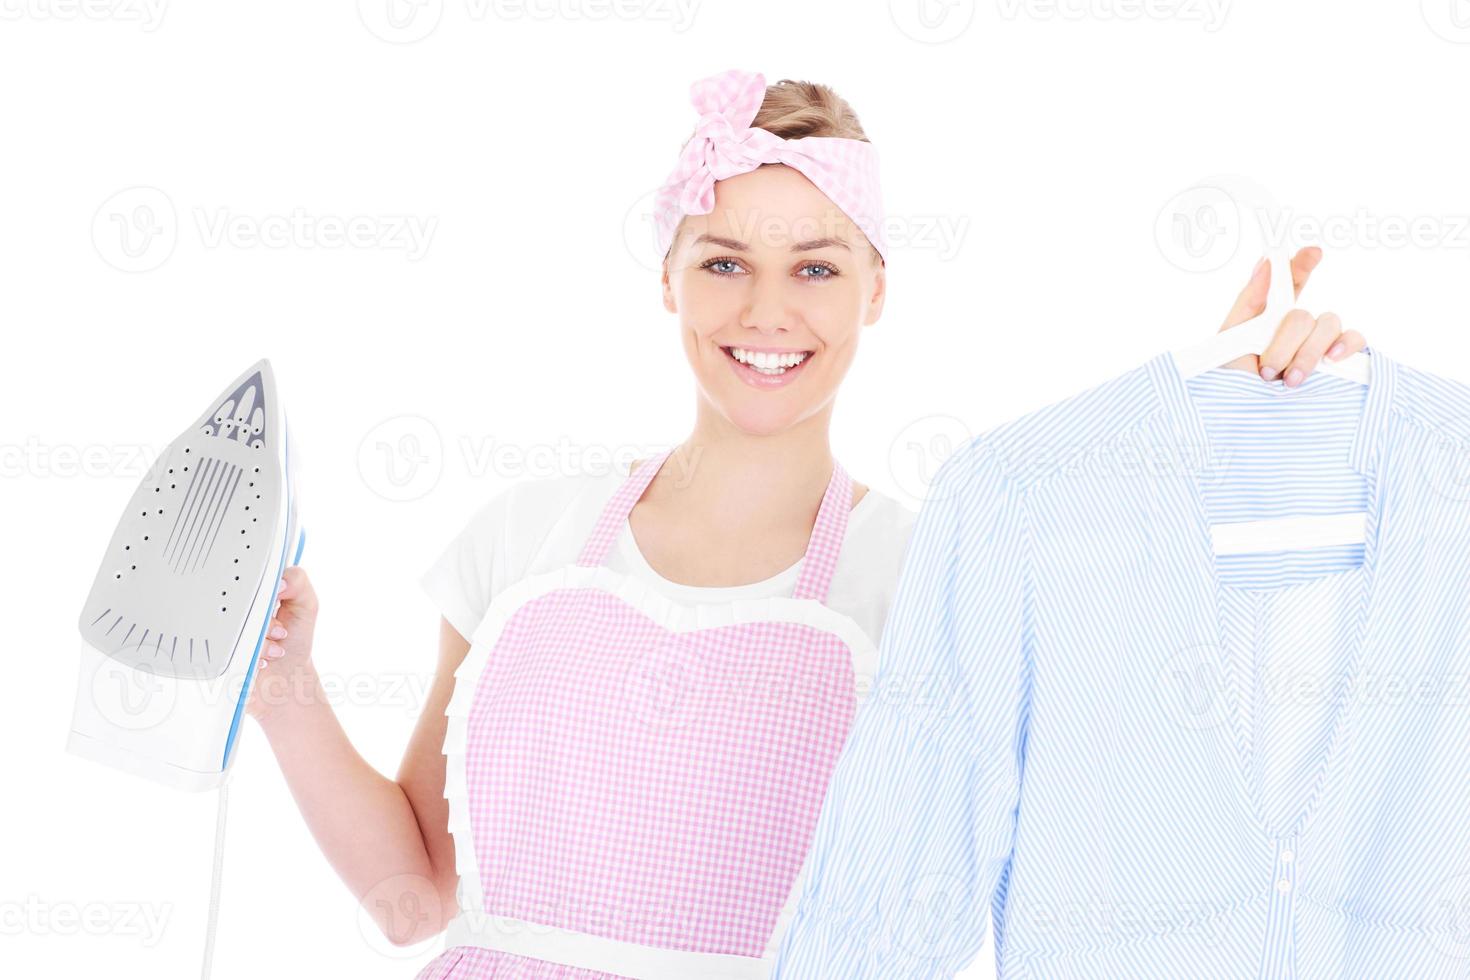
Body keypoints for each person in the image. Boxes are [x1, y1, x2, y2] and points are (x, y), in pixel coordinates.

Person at [244, 68, 1366, 979]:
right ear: (667, 280)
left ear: (876, 288)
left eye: (815, 267)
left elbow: (1148, 770)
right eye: (723, 261)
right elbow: (414, 898)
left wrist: (1229, 439)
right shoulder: (520, 538)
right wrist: (285, 679)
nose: (766, 311)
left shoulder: (929, 567)